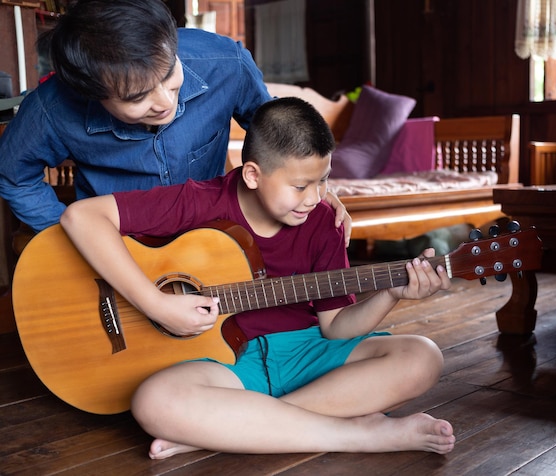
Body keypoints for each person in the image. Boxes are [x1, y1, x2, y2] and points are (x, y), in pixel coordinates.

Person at [60, 97, 456, 458]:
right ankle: (362, 435)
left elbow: (336, 328)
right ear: (252, 174)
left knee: (422, 356)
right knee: (154, 401)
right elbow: (81, 216)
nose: (315, 197)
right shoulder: (200, 201)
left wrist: (391, 294)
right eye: (301, 185)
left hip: (309, 354)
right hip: (229, 363)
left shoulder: (323, 221)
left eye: (323, 180)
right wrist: (156, 302)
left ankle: (232, 428)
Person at [0, 0, 348, 238]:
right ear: (92, 92)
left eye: (169, 74)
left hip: (215, 238)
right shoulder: (53, 107)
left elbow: (279, 139)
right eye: (137, 97)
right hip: (120, 246)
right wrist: (70, 235)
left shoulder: (225, 62)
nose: (164, 102)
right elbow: (14, 176)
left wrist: (312, 186)